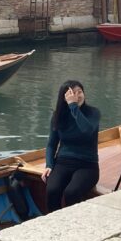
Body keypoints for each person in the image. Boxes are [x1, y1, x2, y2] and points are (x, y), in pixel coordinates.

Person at [42, 80, 100, 211]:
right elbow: (51, 144)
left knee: (71, 192)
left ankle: (72, 225)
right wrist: (49, 164)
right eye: (72, 93)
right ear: (64, 97)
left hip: (87, 165)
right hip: (63, 162)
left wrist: (74, 106)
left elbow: (86, 131)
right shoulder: (58, 116)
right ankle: (53, 222)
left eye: (80, 92)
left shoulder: (93, 113)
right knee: (52, 189)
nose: (77, 96)